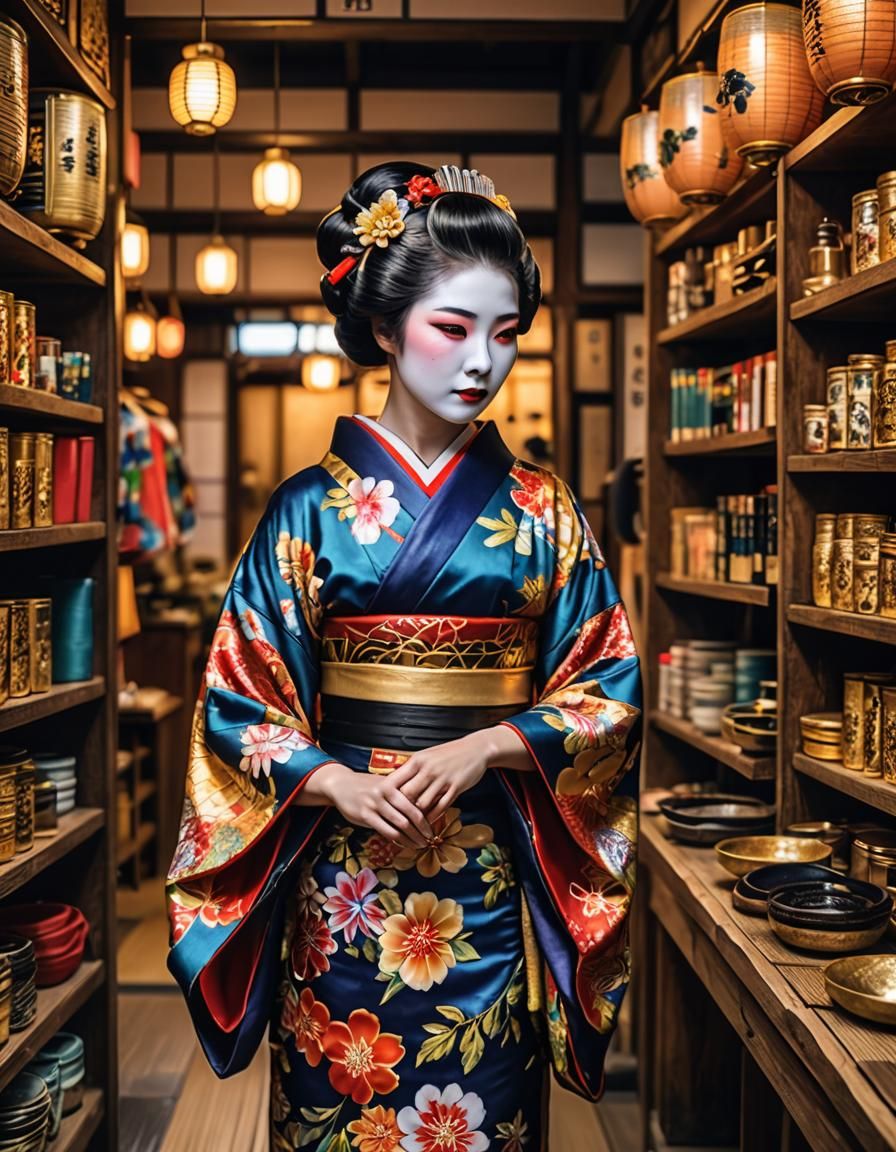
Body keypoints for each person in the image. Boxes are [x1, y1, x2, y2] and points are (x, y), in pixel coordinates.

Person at [167, 161, 641, 1152]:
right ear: (384, 329)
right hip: (342, 884)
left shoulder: (543, 510)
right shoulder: (307, 510)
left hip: (485, 882)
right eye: (451, 327)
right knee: (338, 1110)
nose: (481, 362)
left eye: (505, 333)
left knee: (485, 1118)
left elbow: (606, 688)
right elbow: (235, 701)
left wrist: (488, 747)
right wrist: (329, 779)